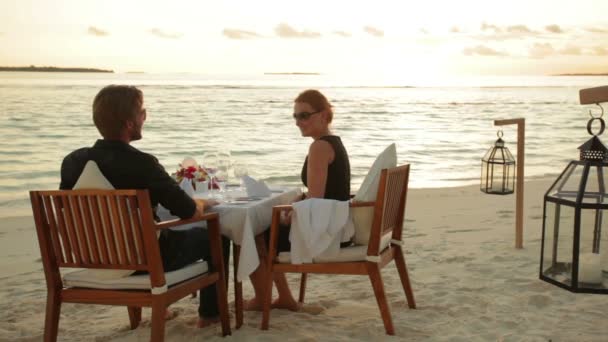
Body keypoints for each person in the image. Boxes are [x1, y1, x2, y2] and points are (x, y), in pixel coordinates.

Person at [59, 85, 229, 328]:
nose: (144, 117)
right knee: (216, 237)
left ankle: (154, 312)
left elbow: (70, 213)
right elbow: (188, 211)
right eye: (142, 112)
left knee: (154, 233)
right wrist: (203, 201)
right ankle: (210, 315)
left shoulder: (72, 162)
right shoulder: (143, 163)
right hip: (145, 261)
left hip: (93, 259)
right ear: (129, 123)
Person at [245, 89, 351, 311]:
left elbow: (315, 200)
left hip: (327, 232)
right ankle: (283, 298)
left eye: (304, 115)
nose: (298, 122)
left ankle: (264, 298)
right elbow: (323, 193)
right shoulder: (333, 143)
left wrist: (289, 215)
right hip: (337, 224)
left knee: (255, 230)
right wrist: (295, 205)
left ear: (323, 115)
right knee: (269, 222)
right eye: (295, 116)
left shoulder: (319, 147)